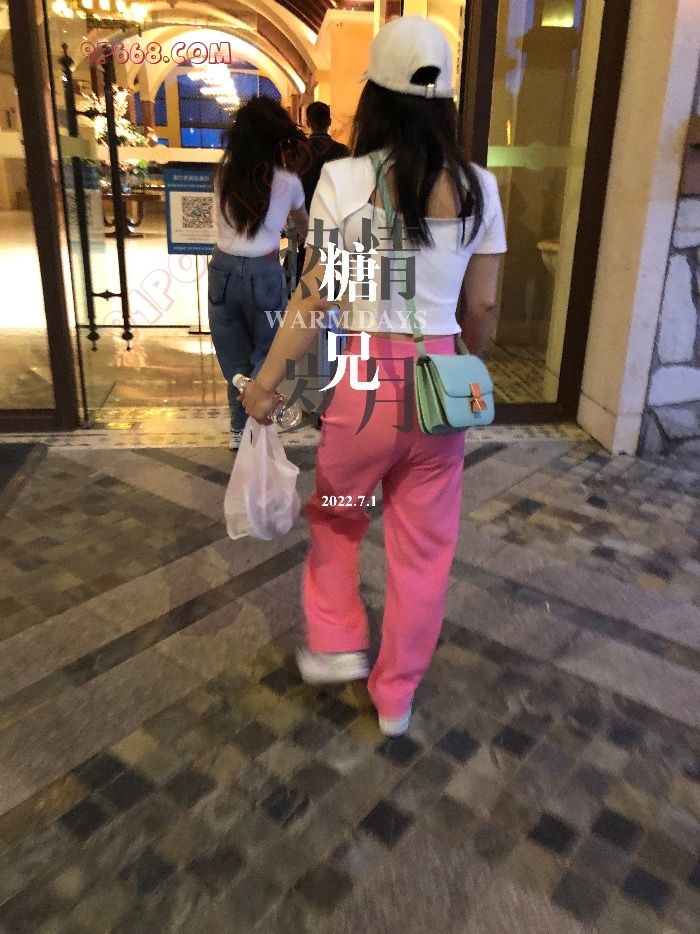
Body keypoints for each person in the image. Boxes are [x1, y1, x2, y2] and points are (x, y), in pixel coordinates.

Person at [240, 16, 507, 735]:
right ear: (446, 102)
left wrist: (266, 385)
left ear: (375, 97)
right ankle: (396, 698)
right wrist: (465, 360)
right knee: (424, 549)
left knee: (338, 514)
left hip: (364, 384)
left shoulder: (346, 180)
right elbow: (482, 306)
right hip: (441, 383)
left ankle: (336, 639)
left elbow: (315, 298)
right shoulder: (480, 188)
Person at [208, 96, 309, 450]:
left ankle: (239, 430)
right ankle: (257, 429)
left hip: (222, 269)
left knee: (232, 353)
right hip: (264, 271)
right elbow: (306, 227)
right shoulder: (289, 182)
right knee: (267, 352)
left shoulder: (222, 175)